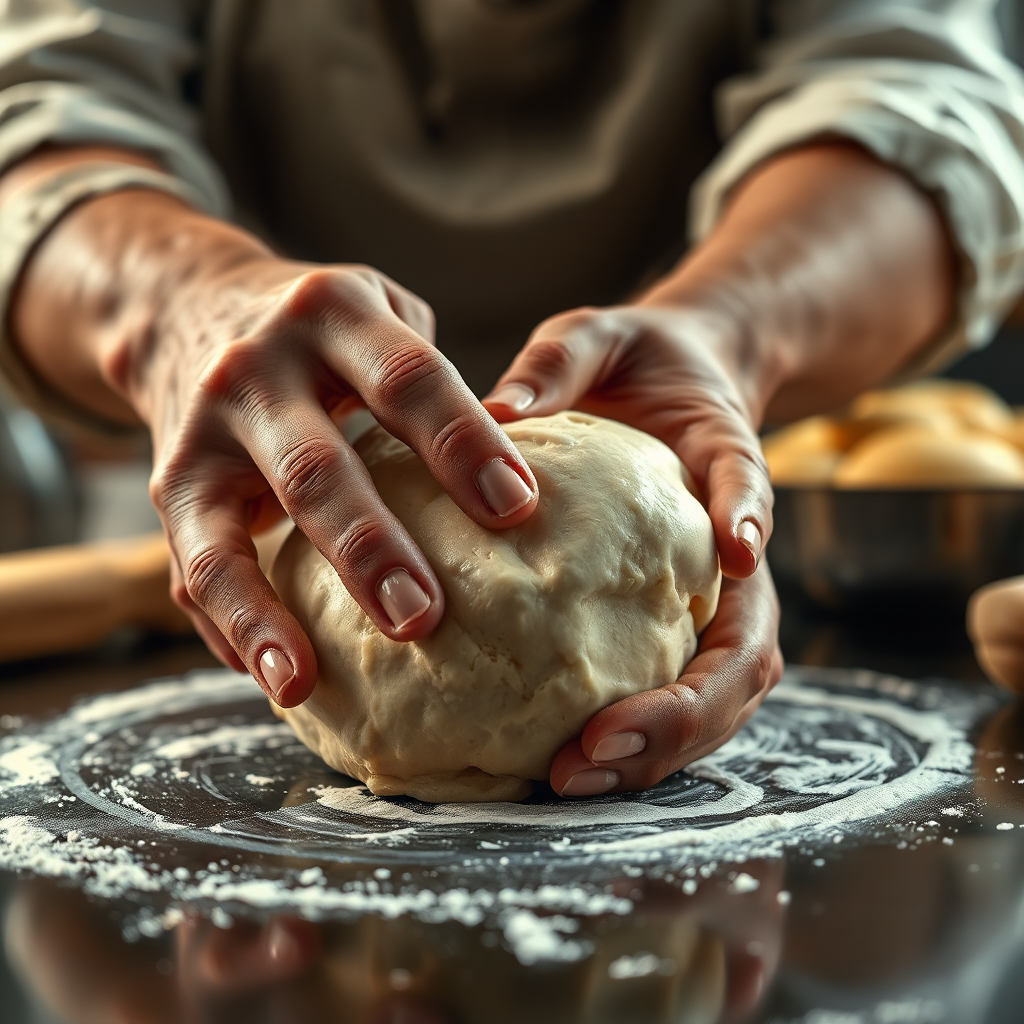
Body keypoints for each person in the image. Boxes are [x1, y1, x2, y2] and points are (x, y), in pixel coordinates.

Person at [0, 1, 1022, 798]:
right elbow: (40, 100)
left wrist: (730, 334)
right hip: (282, 473)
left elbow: (916, 96)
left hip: (685, 457)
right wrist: (183, 305)